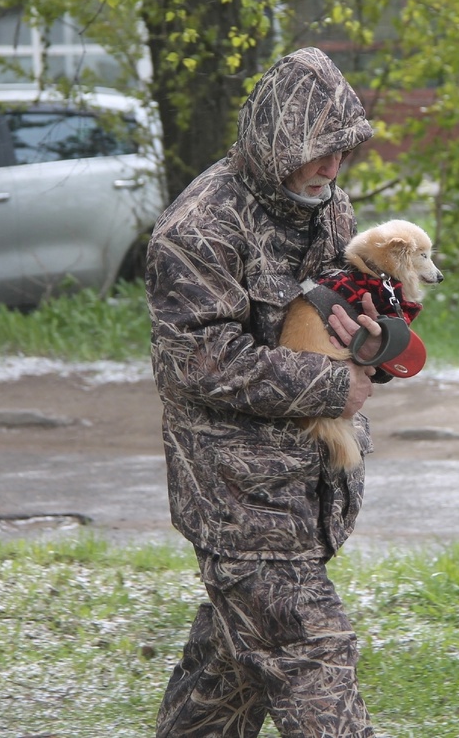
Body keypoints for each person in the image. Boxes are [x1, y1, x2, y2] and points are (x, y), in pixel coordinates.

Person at [145, 47, 387, 738]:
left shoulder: (326, 207)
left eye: (342, 151)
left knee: (221, 688)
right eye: (317, 151)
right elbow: (199, 361)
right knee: (314, 658)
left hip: (301, 490)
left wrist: (374, 338)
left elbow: (335, 312)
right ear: (275, 141)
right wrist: (330, 383)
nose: (331, 168)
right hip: (239, 502)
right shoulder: (197, 229)